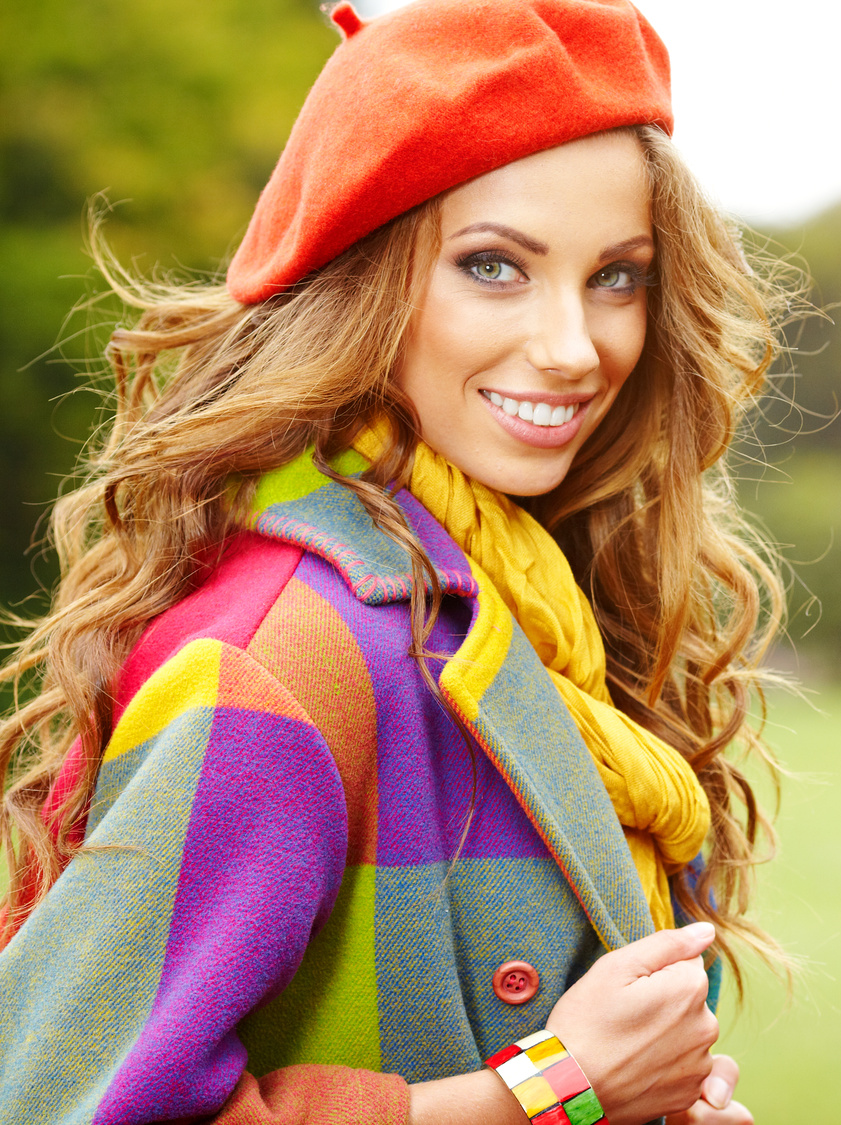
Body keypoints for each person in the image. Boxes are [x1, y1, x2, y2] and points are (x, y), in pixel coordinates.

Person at [0, 0, 791, 1121]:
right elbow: (54, 1101)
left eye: (617, 276)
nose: (575, 347)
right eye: (493, 267)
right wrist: (553, 1089)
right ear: (359, 284)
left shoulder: (541, 603)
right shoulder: (287, 654)